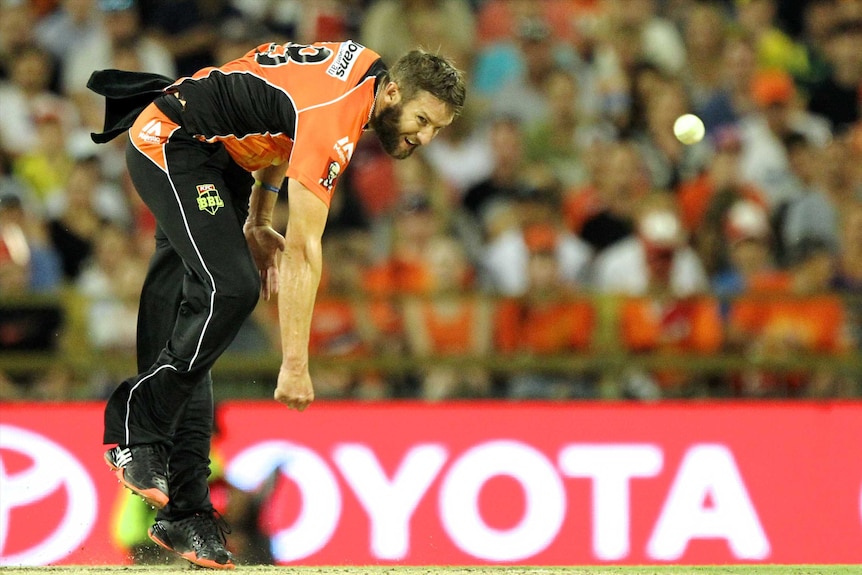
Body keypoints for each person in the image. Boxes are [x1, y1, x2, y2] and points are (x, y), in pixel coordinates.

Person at [87, 40, 465, 569]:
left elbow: (284, 119)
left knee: (201, 318)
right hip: (174, 142)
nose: (423, 137)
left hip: (221, 157)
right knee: (232, 289)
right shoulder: (341, 110)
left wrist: (260, 216)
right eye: (423, 120)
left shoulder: (363, 75)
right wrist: (294, 363)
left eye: (436, 131)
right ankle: (137, 420)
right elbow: (306, 250)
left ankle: (186, 512)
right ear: (394, 92)